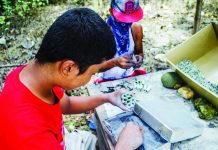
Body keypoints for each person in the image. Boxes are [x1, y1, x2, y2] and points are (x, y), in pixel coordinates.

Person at [0, 8, 144, 150]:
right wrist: (124, 147)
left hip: (61, 139)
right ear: (68, 68)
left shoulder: (36, 75)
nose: (91, 77)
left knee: (90, 139)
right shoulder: (31, 135)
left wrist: (108, 97)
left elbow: (66, 104)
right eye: (92, 73)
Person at [94, 0, 147, 83]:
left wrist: (139, 58)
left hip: (129, 76)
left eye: (129, 18)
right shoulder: (101, 33)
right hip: (107, 80)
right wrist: (115, 63)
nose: (126, 22)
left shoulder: (136, 28)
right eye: (122, 18)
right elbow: (95, 69)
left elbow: (139, 52)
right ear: (111, 11)